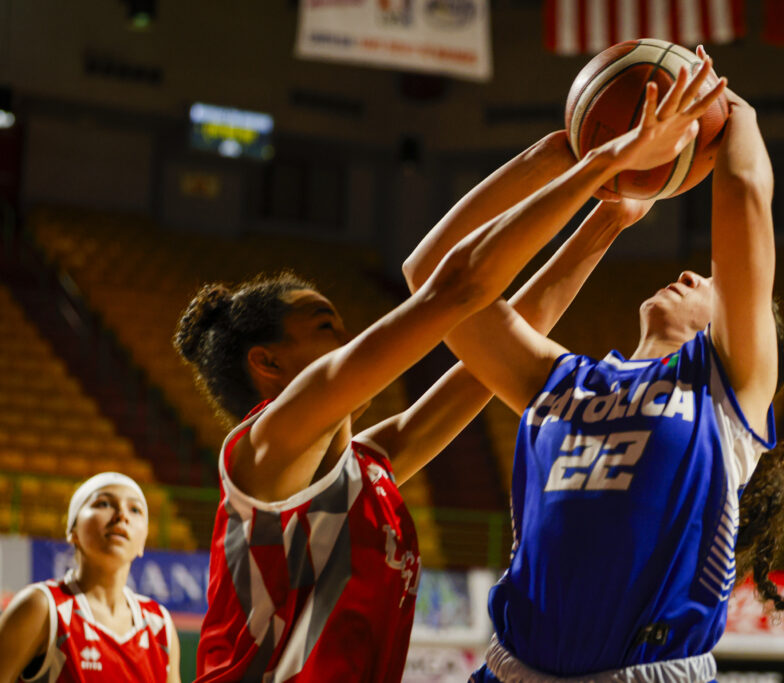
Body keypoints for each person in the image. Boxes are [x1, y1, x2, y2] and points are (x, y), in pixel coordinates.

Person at [173, 60, 725, 683]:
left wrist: (606, 214)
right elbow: (455, 289)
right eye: (325, 327)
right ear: (268, 364)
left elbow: (505, 337)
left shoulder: (372, 465)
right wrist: (594, 163)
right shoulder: (267, 450)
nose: (351, 339)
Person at [404, 58, 784, 681]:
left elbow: (743, 193)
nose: (689, 275)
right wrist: (563, 155)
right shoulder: (560, 381)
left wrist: (729, 108)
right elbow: (431, 275)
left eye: (709, 282)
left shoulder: (725, 391)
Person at [0, 472, 181, 683]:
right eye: (103, 503)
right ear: (73, 530)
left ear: (142, 542)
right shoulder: (41, 607)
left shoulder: (160, 625)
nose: (122, 515)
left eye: (135, 509)